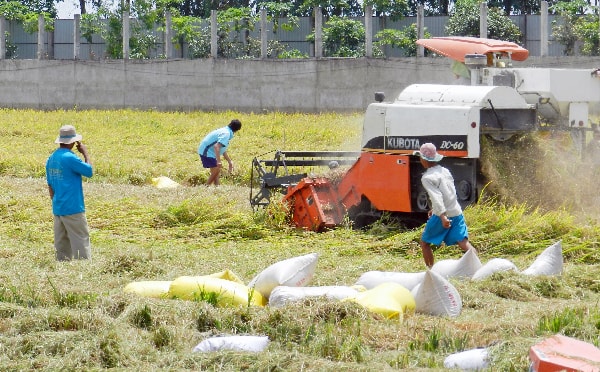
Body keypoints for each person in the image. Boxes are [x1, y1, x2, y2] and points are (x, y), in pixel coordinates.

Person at [414, 143, 476, 268]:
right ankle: (479, 267)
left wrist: (442, 216)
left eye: (420, 157)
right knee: (463, 242)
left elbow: (436, 197)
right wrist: (434, 208)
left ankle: (431, 273)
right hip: (456, 211)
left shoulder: (427, 178)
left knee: (424, 243)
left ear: (424, 160)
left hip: (442, 215)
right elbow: (449, 193)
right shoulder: (445, 171)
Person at [46, 125, 93, 261]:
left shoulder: (52, 158)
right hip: (73, 207)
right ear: (73, 142)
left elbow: (50, 185)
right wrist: (85, 153)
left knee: (62, 246)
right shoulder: (70, 158)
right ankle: (83, 269)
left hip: (58, 207)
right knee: (80, 240)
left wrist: (55, 203)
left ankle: (63, 270)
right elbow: (89, 171)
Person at [198, 119, 242, 186]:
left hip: (207, 150)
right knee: (217, 170)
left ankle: (217, 187)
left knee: (215, 172)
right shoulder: (226, 134)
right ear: (236, 130)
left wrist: (229, 161)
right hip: (207, 151)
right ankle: (206, 186)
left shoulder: (225, 130)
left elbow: (222, 149)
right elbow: (216, 147)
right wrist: (218, 161)